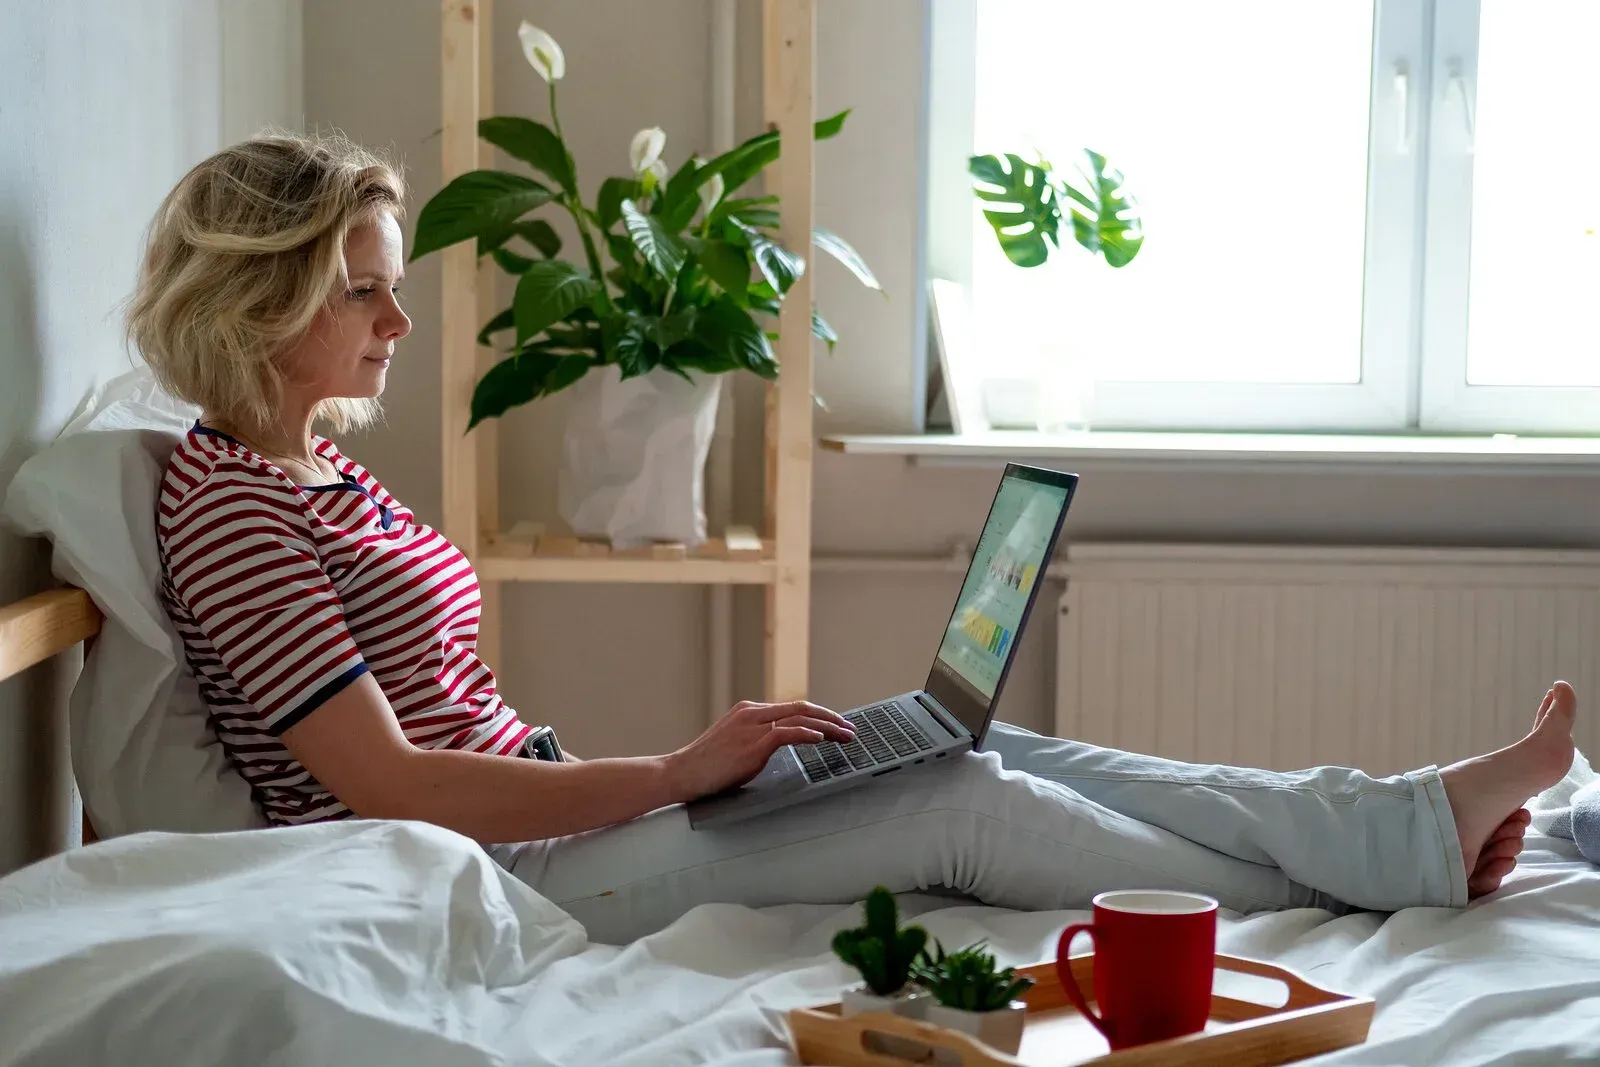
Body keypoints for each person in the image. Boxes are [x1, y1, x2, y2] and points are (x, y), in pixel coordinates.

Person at [131, 133, 1578, 945]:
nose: (396, 322)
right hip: (503, 877)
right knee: (959, 807)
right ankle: (1368, 886)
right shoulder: (234, 512)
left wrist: (668, 780)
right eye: (361, 294)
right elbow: (385, 783)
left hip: (566, 818)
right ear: (259, 303)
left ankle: (1399, 819)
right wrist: (684, 769)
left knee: (990, 753)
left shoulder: (311, 473)